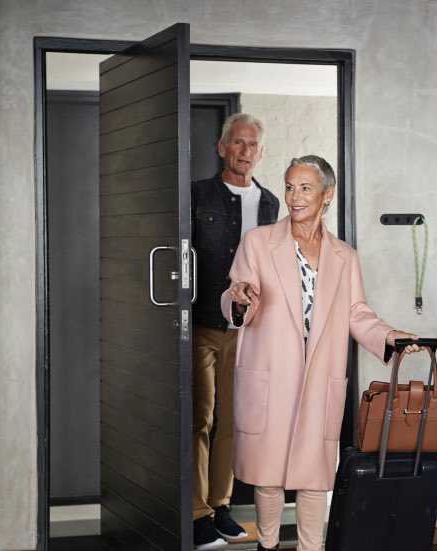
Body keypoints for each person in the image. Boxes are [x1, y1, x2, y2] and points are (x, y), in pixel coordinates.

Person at [221, 155, 421, 551]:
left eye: (305, 188)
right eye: (290, 186)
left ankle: (312, 548)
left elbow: (356, 313)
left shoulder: (344, 256)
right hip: (272, 371)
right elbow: (235, 296)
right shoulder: (258, 242)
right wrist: (239, 299)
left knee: (315, 474)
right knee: (269, 473)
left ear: (327, 194)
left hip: (319, 374)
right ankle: (268, 545)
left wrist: (391, 336)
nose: (295, 197)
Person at [191, 113, 280, 550]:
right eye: (237, 143)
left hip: (246, 330)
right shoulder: (197, 196)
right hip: (203, 323)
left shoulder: (269, 204)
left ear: (260, 153)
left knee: (232, 421)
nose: (245, 151)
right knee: (200, 418)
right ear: (222, 147)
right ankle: (195, 512)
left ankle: (220, 505)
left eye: (253, 145)